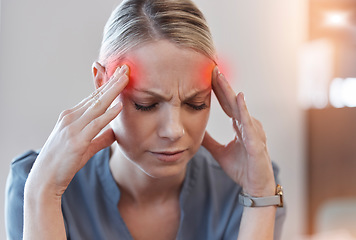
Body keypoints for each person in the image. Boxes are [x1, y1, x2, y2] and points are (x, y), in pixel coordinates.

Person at [5, 0, 285, 239]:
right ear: (103, 83)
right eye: (146, 104)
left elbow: (259, 193)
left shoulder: (250, 184)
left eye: (195, 103)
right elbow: (40, 188)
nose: (173, 130)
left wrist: (260, 195)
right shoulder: (38, 182)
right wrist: (43, 192)